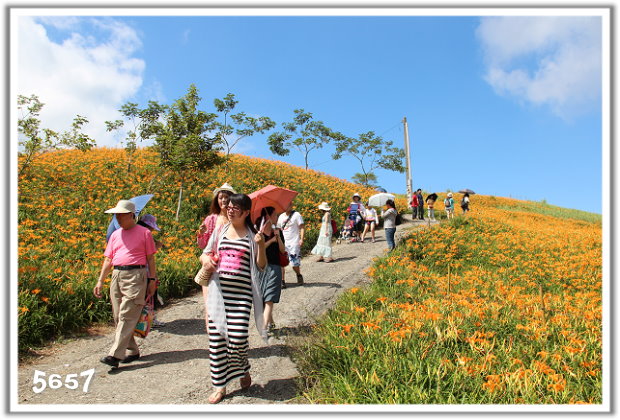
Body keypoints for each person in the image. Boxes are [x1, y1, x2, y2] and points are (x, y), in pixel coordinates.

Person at [199, 193, 268, 404]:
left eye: (235, 208)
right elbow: (204, 253)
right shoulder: (220, 231)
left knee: (237, 339)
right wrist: (207, 261)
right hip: (218, 294)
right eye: (228, 206)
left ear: (246, 212)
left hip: (242, 296)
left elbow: (261, 266)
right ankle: (219, 386)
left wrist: (262, 245)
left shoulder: (253, 235)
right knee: (217, 340)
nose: (230, 210)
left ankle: (242, 367)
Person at [93, 200, 158, 368]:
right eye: (117, 214)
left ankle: (114, 355)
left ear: (131, 215)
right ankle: (133, 350)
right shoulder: (115, 235)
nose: (118, 218)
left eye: (121, 214)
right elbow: (108, 259)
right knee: (117, 316)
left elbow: (151, 258)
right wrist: (100, 281)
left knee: (126, 315)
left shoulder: (144, 233)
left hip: (136, 276)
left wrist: (152, 280)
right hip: (117, 275)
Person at [196, 182, 236, 330]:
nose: (223, 201)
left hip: (230, 267)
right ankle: (214, 338)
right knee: (210, 305)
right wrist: (201, 234)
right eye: (221, 198)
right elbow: (202, 246)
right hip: (212, 266)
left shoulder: (236, 220)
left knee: (228, 306)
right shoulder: (211, 219)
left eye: (227, 198)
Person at [255, 207, 286, 335]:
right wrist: (268, 241)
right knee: (262, 299)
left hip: (274, 267)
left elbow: (283, 250)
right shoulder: (257, 231)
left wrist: (277, 238)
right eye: (275, 215)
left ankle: (264, 326)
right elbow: (256, 251)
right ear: (269, 216)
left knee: (269, 298)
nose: (277, 217)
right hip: (261, 268)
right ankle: (271, 322)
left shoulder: (277, 231)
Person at [137, 214, 165, 328]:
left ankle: (144, 321)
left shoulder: (137, 233)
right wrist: (156, 246)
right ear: (147, 226)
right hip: (146, 271)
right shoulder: (145, 235)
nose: (153, 229)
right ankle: (149, 321)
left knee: (144, 297)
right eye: (152, 227)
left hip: (139, 271)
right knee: (150, 296)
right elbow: (148, 255)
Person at [277, 203, 305, 287]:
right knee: (281, 263)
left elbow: (302, 227)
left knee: (294, 264)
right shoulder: (281, 216)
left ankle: (298, 274)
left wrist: (301, 239)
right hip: (283, 243)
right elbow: (278, 228)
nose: (286, 207)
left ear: (291, 205)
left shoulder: (296, 215)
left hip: (294, 243)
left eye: (288, 205)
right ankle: (282, 281)